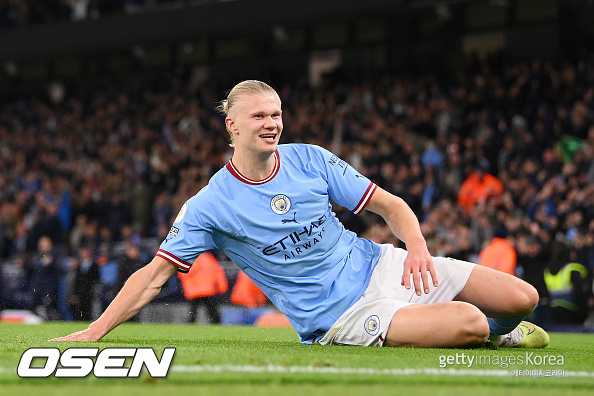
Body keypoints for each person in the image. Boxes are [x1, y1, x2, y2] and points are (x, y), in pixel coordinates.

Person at [52, 80, 549, 348]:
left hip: (380, 264)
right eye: (259, 116)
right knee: (470, 322)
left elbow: (390, 205)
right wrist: (96, 332)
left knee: (521, 297)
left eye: (277, 114)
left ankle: (482, 327)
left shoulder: (309, 157)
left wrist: (415, 247)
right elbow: (154, 276)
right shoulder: (210, 204)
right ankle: (488, 338)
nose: (272, 124)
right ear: (232, 126)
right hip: (340, 315)